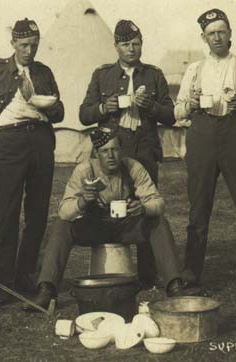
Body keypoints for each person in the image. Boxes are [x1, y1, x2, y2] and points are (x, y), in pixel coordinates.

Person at [24, 128, 196, 310]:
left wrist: (143, 208)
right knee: (62, 226)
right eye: (105, 151)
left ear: (121, 151)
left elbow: (158, 203)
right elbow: (64, 211)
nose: (111, 156)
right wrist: (82, 202)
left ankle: (174, 286)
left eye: (115, 150)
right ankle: (47, 291)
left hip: (126, 227)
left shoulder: (132, 167)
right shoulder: (85, 170)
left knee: (159, 223)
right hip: (95, 227)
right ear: (96, 154)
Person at [0, 18, 64, 303]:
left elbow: (59, 113)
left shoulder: (44, 72)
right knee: (7, 211)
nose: (29, 50)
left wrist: (40, 102)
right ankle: (3, 280)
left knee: (37, 212)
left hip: (42, 141)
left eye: (34, 45)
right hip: (10, 141)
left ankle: (25, 275)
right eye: (23, 45)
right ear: (13, 43)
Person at [174, 9, 236, 285]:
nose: (217, 37)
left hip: (235, 137)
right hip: (202, 136)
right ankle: (191, 273)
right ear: (203, 38)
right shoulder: (194, 70)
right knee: (198, 207)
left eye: (222, 32)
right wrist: (189, 106)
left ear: (230, 34)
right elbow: (176, 111)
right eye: (211, 33)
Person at [79, 19, 175, 287]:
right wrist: (103, 108)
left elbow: (170, 115)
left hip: (144, 147)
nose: (131, 49)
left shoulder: (154, 75)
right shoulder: (103, 75)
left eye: (136, 43)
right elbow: (84, 114)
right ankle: (110, 268)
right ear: (116, 47)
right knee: (111, 201)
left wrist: (152, 106)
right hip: (114, 147)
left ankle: (147, 274)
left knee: (145, 205)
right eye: (125, 44)